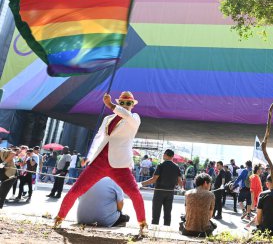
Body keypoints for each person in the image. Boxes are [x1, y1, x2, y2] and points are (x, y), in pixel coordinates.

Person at [53, 91, 147, 235]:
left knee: (134, 193)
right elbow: (98, 138)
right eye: (122, 102)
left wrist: (110, 104)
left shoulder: (134, 118)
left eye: (128, 103)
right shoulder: (108, 118)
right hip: (99, 162)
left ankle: (143, 224)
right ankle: (59, 218)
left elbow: (125, 114)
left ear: (133, 105)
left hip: (120, 164)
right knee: (76, 189)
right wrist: (89, 156)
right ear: (120, 103)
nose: (125, 105)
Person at [141, 149, 182, 226]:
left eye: (164, 154)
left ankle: (154, 229)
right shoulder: (176, 167)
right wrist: (181, 188)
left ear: (165, 155)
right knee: (167, 213)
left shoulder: (161, 165)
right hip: (170, 192)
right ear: (172, 156)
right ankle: (167, 229)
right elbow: (180, 181)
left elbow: (154, 179)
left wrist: (141, 184)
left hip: (159, 191)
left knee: (156, 213)